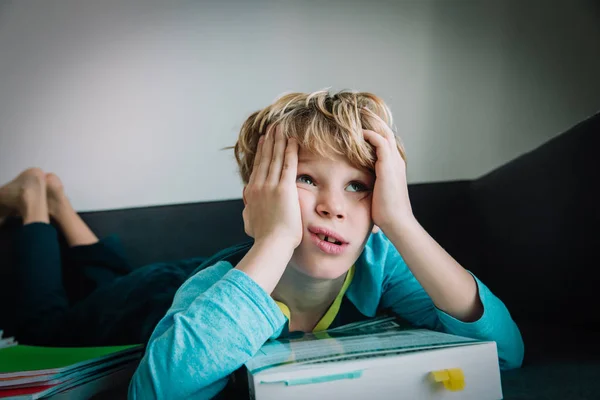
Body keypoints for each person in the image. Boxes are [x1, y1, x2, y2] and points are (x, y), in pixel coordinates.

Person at [127, 90, 524, 399]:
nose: (333, 207)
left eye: (358, 186)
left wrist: (401, 223)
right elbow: (153, 393)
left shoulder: (378, 264)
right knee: (93, 293)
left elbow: (505, 353)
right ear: (258, 193)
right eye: (306, 179)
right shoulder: (210, 286)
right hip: (151, 292)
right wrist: (276, 238)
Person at [1, 169, 206, 347]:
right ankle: (31, 199)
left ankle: (57, 202)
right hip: (168, 306)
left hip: (187, 279)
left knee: (117, 294)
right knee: (43, 334)